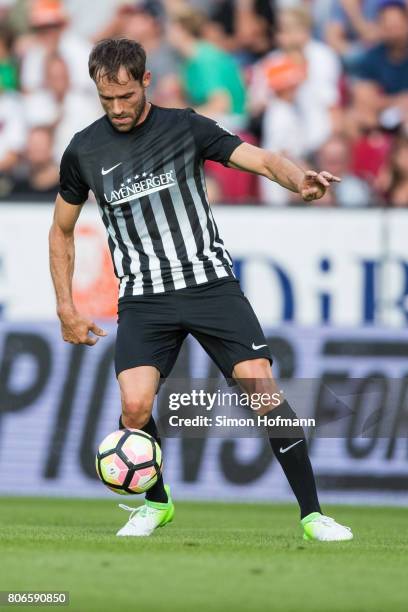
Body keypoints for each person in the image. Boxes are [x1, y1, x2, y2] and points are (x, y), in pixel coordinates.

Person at [49, 38, 353, 542]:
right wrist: (66, 306)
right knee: (134, 408)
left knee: (259, 386)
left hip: (210, 284)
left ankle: (313, 514)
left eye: (126, 96)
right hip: (144, 296)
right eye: (108, 100)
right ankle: (156, 504)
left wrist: (300, 181)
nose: (118, 108)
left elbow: (259, 159)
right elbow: (60, 229)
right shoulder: (83, 150)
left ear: (146, 81)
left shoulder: (184, 126)